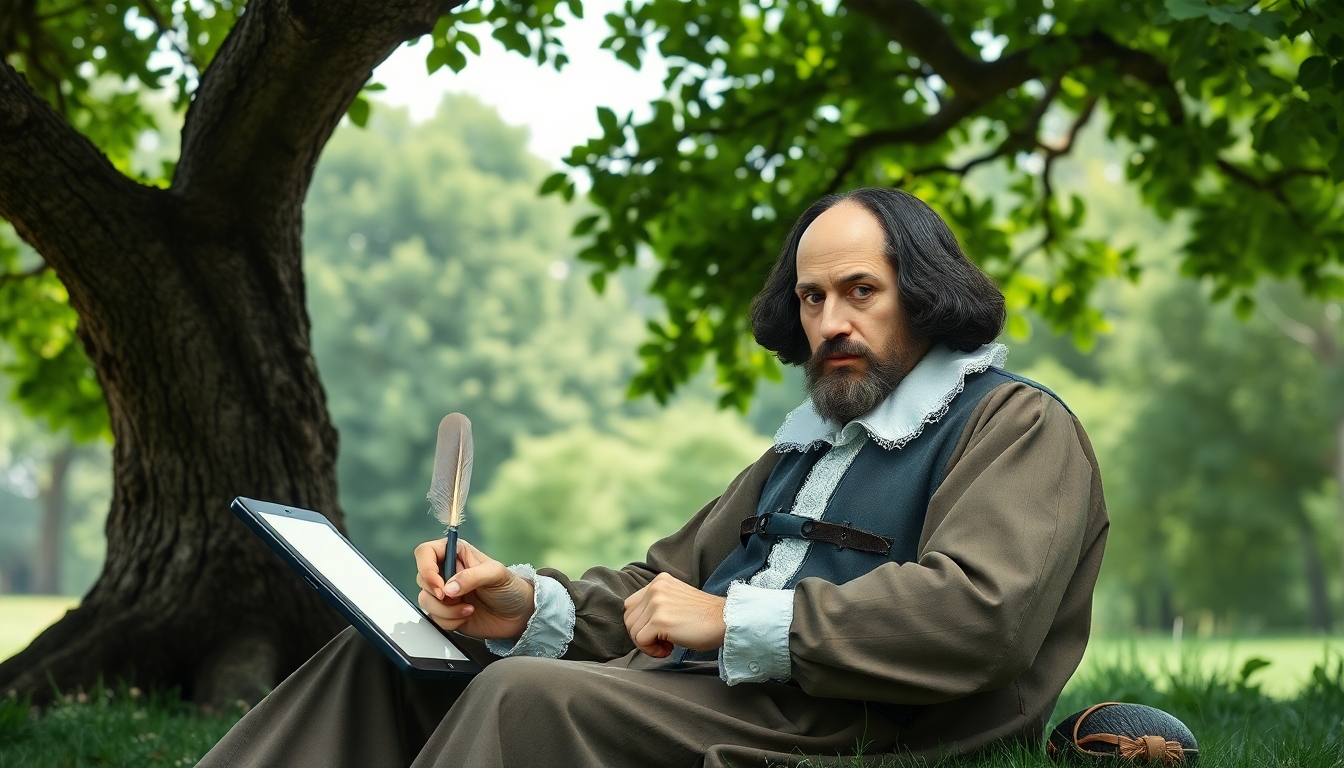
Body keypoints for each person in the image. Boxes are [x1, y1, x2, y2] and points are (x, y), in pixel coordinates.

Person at [199, 187, 1107, 768]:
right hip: (696, 698)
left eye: (859, 291)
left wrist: (735, 618)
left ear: (926, 292)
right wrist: (521, 602)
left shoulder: (1015, 424)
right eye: (811, 297)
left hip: (838, 733)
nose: (830, 320)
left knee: (521, 697)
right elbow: (656, 590)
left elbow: (983, 616)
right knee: (398, 649)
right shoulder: (798, 455)